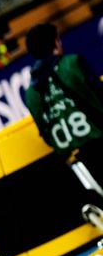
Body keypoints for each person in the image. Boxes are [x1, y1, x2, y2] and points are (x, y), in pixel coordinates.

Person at [23, 23, 103, 218]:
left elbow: (44, 131)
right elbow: (99, 95)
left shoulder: (31, 93)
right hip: (99, 139)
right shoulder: (72, 63)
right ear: (56, 43)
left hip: (79, 157)